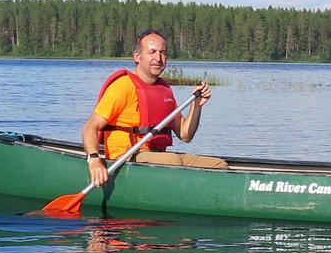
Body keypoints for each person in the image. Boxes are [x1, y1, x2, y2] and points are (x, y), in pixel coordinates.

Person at [82, 28, 226, 187]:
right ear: (137, 56)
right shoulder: (123, 86)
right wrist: (94, 159)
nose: (158, 58)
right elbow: (90, 127)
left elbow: (185, 135)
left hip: (159, 157)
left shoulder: (164, 90)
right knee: (172, 161)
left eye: (163, 52)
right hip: (128, 157)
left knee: (219, 165)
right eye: (152, 52)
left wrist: (196, 106)